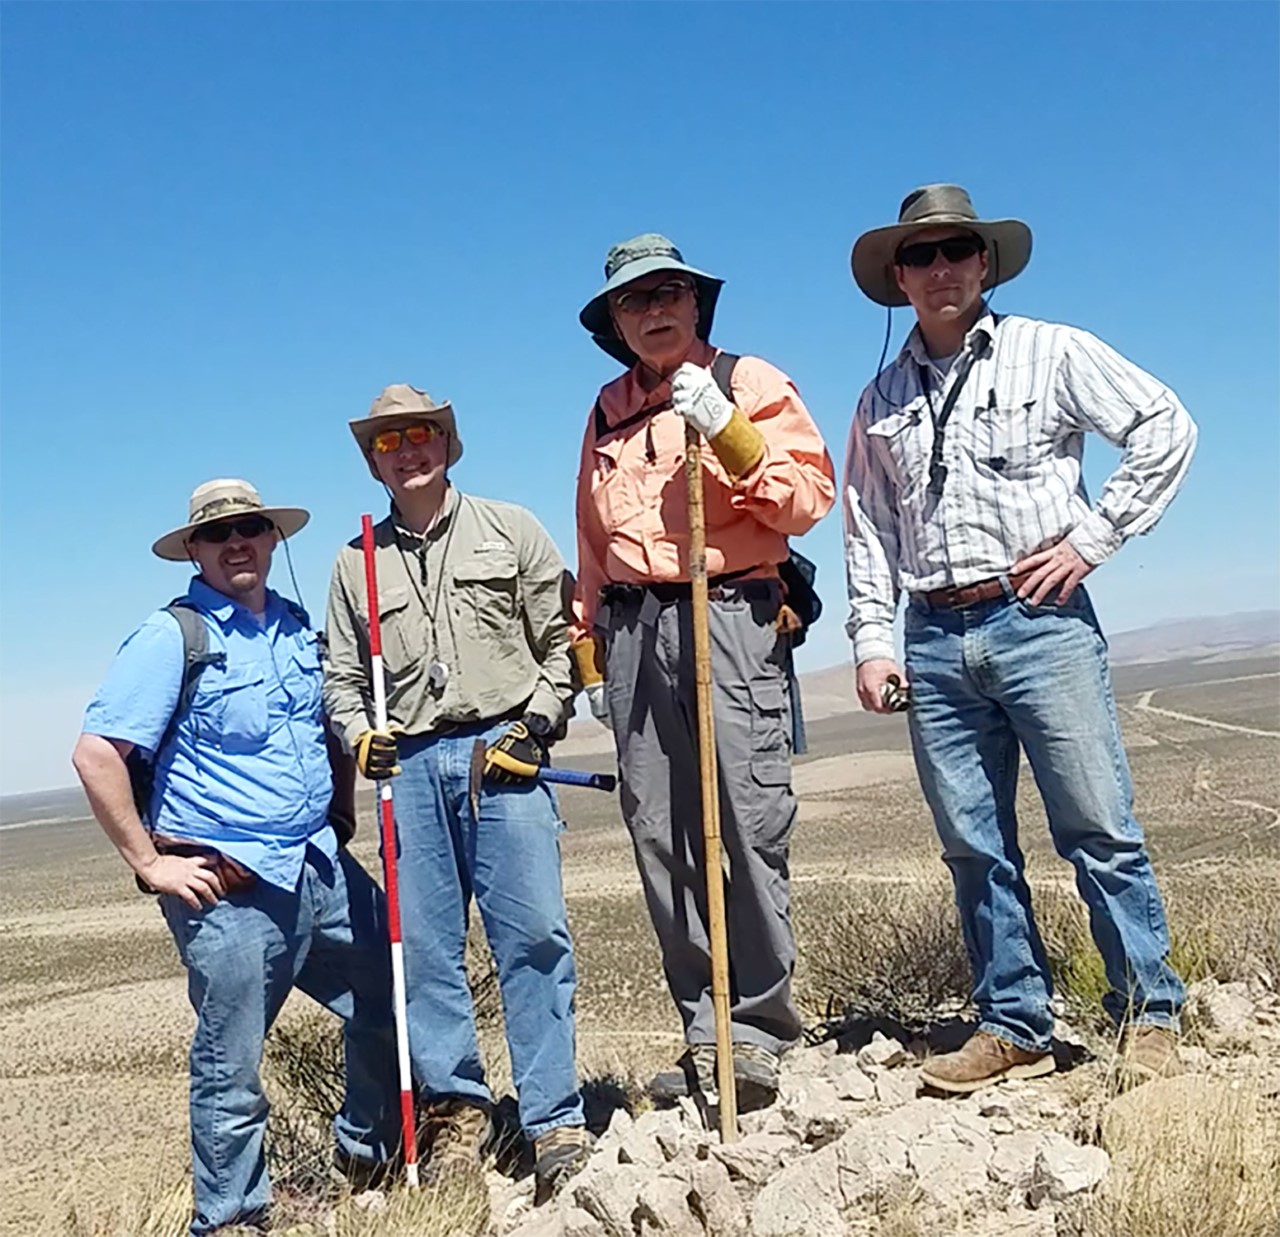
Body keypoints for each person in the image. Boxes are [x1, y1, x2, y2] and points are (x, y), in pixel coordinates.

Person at [844, 184, 1197, 1092]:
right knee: (973, 843)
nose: (939, 268)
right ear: (898, 275)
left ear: (985, 261)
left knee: (1096, 824)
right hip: (931, 632)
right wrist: (873, 641)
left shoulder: (1053, 351)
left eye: (956, 249)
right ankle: (1014, 1020)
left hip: (1038, 621)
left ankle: (1148, 1012)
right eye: (920, 256)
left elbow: (1165, 424)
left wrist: (1093, 539)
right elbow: (867, 525)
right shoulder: (879, 398)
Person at [72, 479, 397, 1236]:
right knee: (232, 1059)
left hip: (316, 863)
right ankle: (232, 1216)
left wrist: (341, 806)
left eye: (250, 527)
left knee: (394, 991)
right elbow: (97, 755)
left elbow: (327, 725)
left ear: (273, 537)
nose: (237, 542)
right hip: (229, 885)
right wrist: (152, 864)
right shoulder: (171, 637)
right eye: (219, 534)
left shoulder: (295, 626)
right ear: (195, 549)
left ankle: (368, 1150)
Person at [572, 234, 836, 1109]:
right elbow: (594, 538)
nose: (653, 311)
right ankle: (703, 1028)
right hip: (637, 631)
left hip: (726, 612)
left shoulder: (750, 381)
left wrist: (724, 428)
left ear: (696, 304)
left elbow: (805, 498)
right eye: (634, 301)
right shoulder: (606, 409)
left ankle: (758, 1027)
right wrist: (588, 644)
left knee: (746, 819)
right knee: (663, 831)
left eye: (669, 294)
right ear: (616, 320)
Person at [323, 384, 590, 1197]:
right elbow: (341, 679)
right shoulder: (354, 561)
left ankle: (554, 1119)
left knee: (534, 937)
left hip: (502, 754)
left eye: (422, 433)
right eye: (389, 440)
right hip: (407, 768)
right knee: (427, 956)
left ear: (448, 441)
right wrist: (359, 734)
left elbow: (562, 647)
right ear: (372, 460)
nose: (408, 449)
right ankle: (457, 1116)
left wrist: (534, 727)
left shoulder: (512, 530)